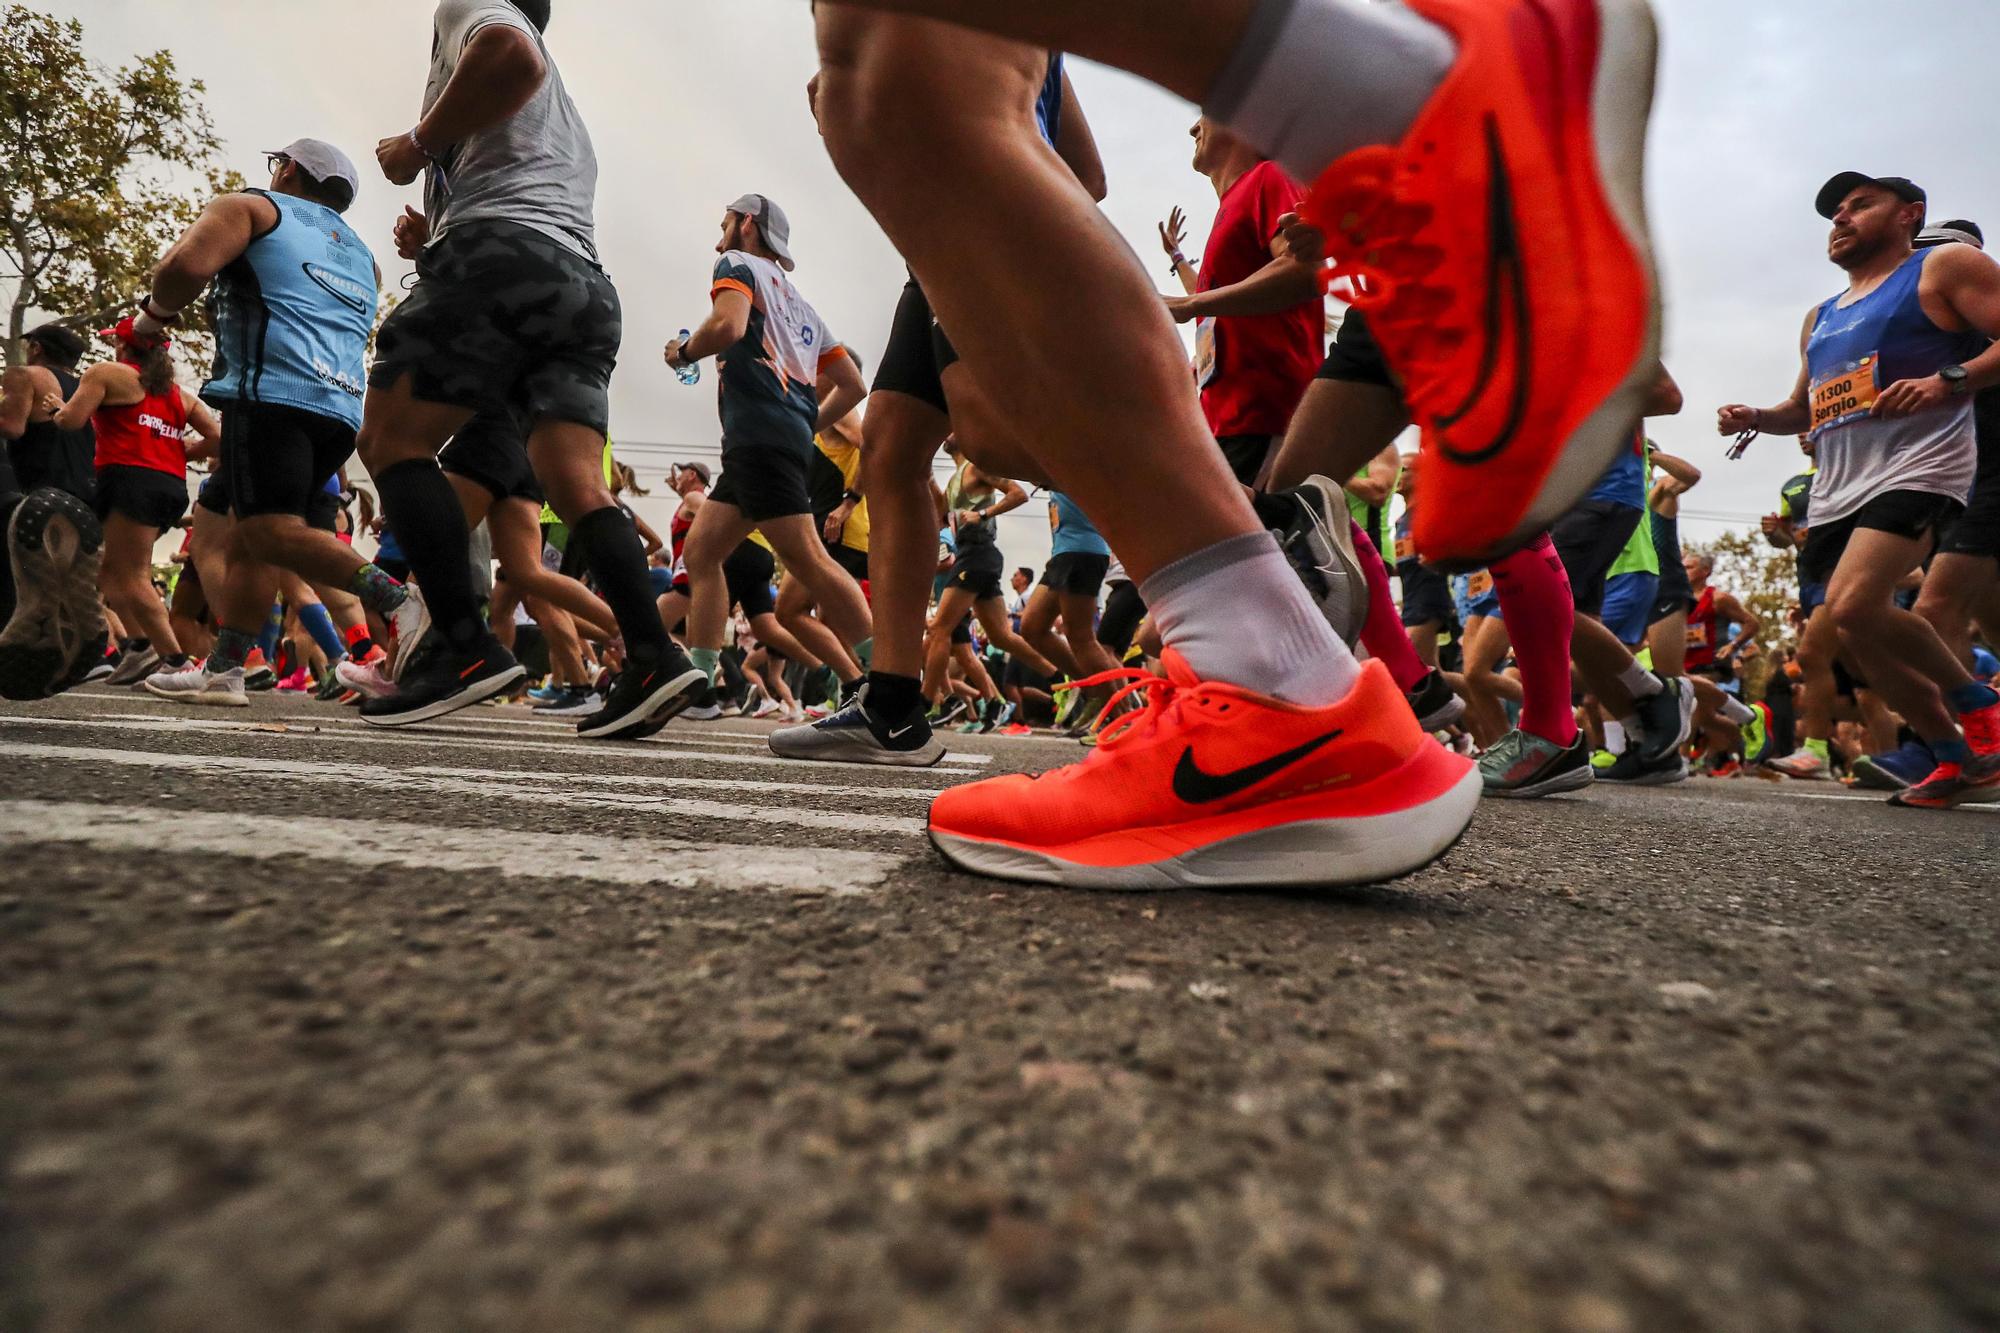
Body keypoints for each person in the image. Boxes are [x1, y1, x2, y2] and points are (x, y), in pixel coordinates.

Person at [811, 0, 1661, 882]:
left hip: (1263, 400)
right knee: (894, 81)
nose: (1197, 130)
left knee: (901, 87)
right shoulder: (1231, 204)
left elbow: (1254, 260)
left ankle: (1273, 678)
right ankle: (1420, 104)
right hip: (1244, 392)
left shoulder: (1260, 187)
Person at [361, 0, 703, 736]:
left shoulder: (477, 11)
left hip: (500, 257)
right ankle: (652, 656)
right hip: (580, 284)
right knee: (575, 482)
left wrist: (417, 144)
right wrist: (434, 235)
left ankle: (460, 645)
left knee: (391, 438)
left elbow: (512, 55)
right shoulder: (565, 114)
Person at [1719, 172, 2000, 807]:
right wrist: (1759, 420)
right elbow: (1804, 408)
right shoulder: (1820, 316)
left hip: (1921, 465)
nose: (1841, 219)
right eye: (1835, 212)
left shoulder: (1945, 267)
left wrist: (1948, 379)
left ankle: (1981, 709)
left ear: (1909, 214)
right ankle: (1955, 757)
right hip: (1838, 488)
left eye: (1860, 205)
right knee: (1854, 635)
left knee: (1852, 606)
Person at [103, 139, 410, 709]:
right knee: (254, 539)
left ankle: (402, 605)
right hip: (340, 408)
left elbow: (184, 267)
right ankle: (225, 672)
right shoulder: (361, 253)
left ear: (288, 169)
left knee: (268, 532)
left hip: (272, 393)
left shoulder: (251, 207)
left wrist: (152, 318)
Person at [666, 195, 875, 729]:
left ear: (747, 225)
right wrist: (805, 424)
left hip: (759, 435)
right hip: (767, 439)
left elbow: (728, 327)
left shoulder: (737, 266)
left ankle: (886, 682)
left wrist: (685, 352)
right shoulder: (802, 305)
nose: (719, 239)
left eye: (725, 225)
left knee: (809, 560)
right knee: (702, 549)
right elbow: (853, 384)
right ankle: (702, 683)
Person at [41, 320, 220, 686]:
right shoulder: (178, 394)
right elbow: (218, 437)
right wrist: (185, 451)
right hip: (168, 484)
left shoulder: (107, 373)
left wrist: (57, 408)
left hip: (130, 479)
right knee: (109, 570)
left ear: (124, 348)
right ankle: (140, 648)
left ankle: (175, 661)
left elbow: (71, 421)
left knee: (133, 574)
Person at [1162, 116, 1323, 489]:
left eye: (1206, 113)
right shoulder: (1231, 208)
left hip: (1264, 414)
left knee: (1247, 542)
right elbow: (1206, 301)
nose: (1192, 129)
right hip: (1228, 420)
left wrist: (1188, 307)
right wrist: (1178, 259)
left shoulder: (1270, 176)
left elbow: (1306, 271)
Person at [0, 323, 104, 699]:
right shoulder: (87, 391)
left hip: (33, 495)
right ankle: (63, 639)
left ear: (37, 348)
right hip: (82, 492)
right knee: (54, 582)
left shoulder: (24, 375)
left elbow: (11, 427)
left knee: (13, 575)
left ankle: (20, 640)